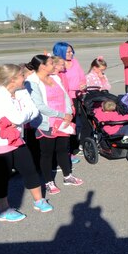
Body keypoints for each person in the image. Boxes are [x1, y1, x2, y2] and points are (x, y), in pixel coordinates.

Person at [0, 64, 52, 222]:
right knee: (2, 177)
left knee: (30, 169)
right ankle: (4, 210)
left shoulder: (21, 91)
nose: (25, 77)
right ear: (12, 79)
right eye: (22, 76)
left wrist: (22, 115)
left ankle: (39, 201)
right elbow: (19, 118)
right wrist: (22, 115)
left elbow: (34, 112)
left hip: (15, 139)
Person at [24, 55, 83, 195]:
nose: (54, 66)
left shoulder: (55, 78)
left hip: (63, 121)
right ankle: (48, 182)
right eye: (51, 63)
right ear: (42, 66)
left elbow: (65, 97)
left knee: (63, 149)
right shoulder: (31, 82)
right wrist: (62, 115)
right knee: (47, 153)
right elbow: (39, 106)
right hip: (46, 123)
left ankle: (67, 176)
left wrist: (68, 113)